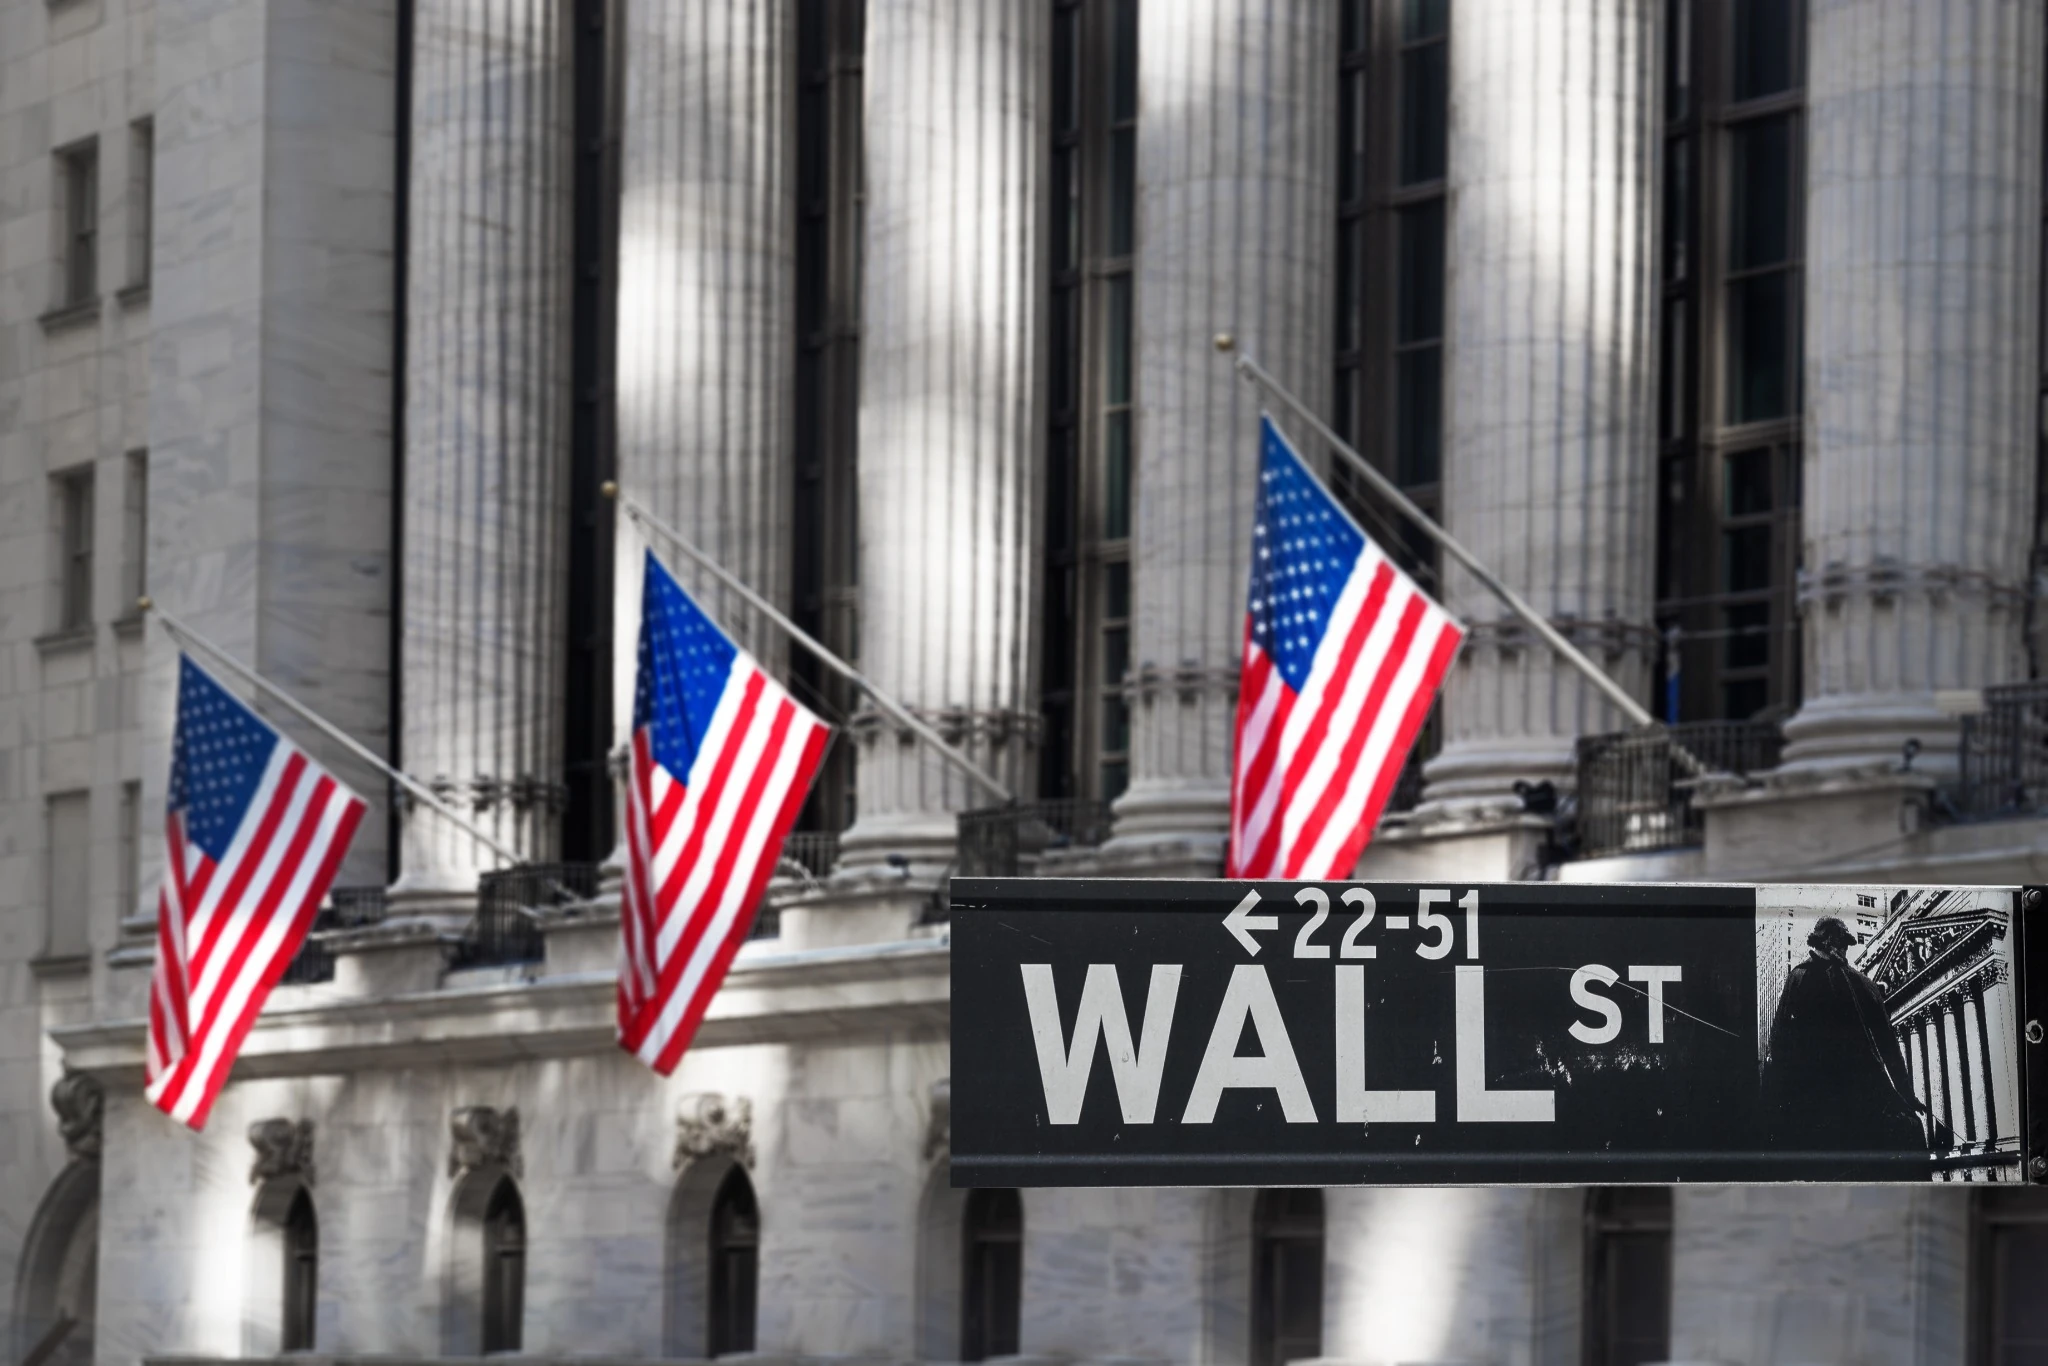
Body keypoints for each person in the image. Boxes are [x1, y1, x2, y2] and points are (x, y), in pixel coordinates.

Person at [1759, 916, 1932, 1177]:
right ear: (1829, 942)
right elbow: (1888, 1046)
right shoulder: (1859, 983)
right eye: (1843, 943)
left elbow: (1779, 1043)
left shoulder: (1801, 978)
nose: (1845, 950)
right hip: (1855, 1096)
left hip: (1819, 1100)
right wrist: (1905, 1094)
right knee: (1908, 1130)